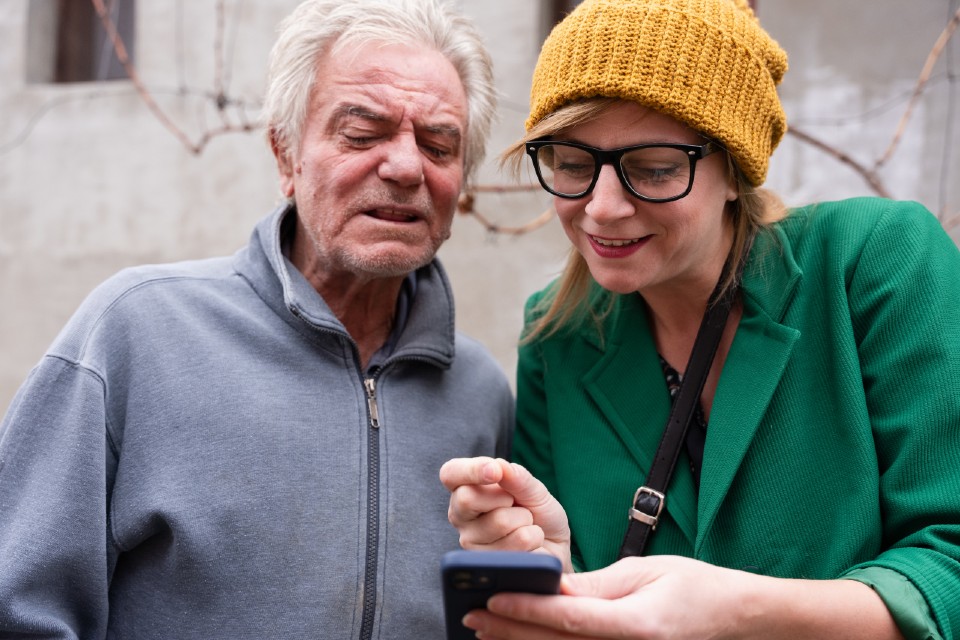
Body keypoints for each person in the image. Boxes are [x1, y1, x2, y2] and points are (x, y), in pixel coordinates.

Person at [441, 0, 960, 638]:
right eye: (572, 165)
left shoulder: (876, 262)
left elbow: (950, 563)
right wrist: (554, 576)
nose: (602, 209)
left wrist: (737, 612)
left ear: (736, 170)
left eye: (654, 169)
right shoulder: (557, 337)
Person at [0, 0, 513, 638]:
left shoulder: (480, 393)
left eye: (439, 145)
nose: (406, 167)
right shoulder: (134, 333)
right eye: (362, 133)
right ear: (285, 156)